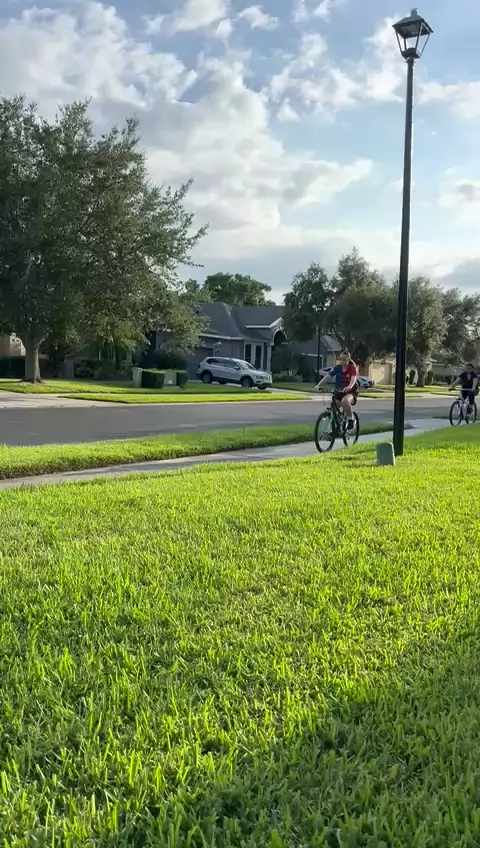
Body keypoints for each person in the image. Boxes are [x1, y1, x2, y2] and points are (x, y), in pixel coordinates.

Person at [315, 350, 358, 429]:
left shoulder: (352, 368)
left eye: (344, 359)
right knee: (334, 406)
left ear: (348, 360)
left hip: (350, 392)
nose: (342, 361)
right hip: (339, 392)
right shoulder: (337, 368)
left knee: (344, 402)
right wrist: (319, 385)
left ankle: (351, 420)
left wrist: (349, 386)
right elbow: (328, 376)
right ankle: (335, 428)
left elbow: (353, 379)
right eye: (340, 359)